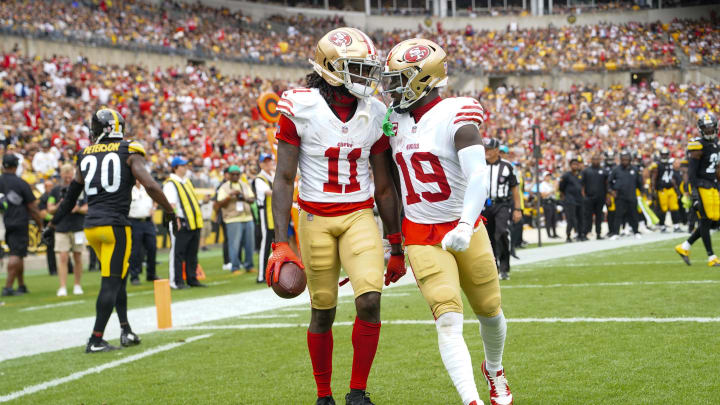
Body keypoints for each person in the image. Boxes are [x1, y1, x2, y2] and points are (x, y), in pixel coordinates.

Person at [267, 27, 405, 405]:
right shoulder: (300, 105)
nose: (366, 77)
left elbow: (384, 185)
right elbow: (282, 178)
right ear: (330, 69)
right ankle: (323, 394)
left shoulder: (377, 112)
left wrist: (396, 243)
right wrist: (280, 242)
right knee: (323, 310)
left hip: (359, 215)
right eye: (357, 69)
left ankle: (357, 392)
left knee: (370, 301)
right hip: (314, 219)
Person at [382, 38, 513, 405]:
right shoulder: (392, 120)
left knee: (489, 310)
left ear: (423, 78)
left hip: (464, 225)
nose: (392, 87)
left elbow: (478, 176)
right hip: (421, 233)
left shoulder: (458, 113)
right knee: (447, 318)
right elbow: (389, 179)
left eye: (400, 78)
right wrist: (389, 238)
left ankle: (495, 369)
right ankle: (471, 400)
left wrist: (464, 224)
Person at [46, 107, 179, 352]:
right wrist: (170, 211)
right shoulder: (129, 150)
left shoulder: (84, 154)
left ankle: (126, 329)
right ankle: (96, 338)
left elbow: (70, 197)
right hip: (115, 226)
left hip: (92, 228)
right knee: (111, 282)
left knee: (117, 279)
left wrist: (53, 224)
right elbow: (149, 184)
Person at [675, 113, 720, 267]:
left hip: (712, 185)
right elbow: (691, 173)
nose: (709, 132)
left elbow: (717, 169)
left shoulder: (715, 143)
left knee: (711, 220)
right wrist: (693, 194)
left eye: (710, 129)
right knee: (705, 220)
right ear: (701, 130)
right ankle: (711, 257)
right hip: (701, 186)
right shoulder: (697, 145)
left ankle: (685, 247)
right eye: (705, 130)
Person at [0, 154, 44, 296]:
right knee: (16, 254)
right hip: (19, 222)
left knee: (19, 253)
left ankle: (21, 285)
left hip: (6, 221)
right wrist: (41, 225)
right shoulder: (21, 183)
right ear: (15, 166)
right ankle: (8, 287)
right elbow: (32, 207)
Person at [163, 157, 207, 289]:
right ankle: (176, 281)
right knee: (178, 253)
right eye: (182, 165)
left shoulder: (186, 181)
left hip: (193, 222)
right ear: (175, 168)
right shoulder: (171, 183)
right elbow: (171, 204)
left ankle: (192, 278)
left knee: (192, 253)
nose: (185, 167)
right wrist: (175, 219)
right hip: (181, 222)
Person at [483, 138, 522, 280]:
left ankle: (504, 267)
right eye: (485, 148)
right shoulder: (479, 164)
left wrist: (518, 209)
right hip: (484, 205)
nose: (486, 151)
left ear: (496, 150)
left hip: (502, 204)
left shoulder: (507, 166)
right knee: (488, 238)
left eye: (488, 149)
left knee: (502, 233)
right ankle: (494, 268)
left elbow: (515, 189)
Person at [48, 164, 88, 296]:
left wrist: (78, 209)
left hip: (77, 226)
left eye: (69, 173)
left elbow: (89, 205)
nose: (67, 176)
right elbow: (50, 208)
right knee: (63, 257)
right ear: (61, 175)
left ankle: (77, 285)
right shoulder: (55, 190)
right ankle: (63, 286)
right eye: (65, 174)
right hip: (61, 227)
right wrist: (61, 205)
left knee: (77, 256)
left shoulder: (82, 189)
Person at [216, 165, 255, 275]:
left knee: (249, 244)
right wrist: (230, 196)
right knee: (234, 244)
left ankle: (249, 265)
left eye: (237, 174)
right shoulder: (224, 187)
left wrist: (244, 197)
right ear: (228, 175)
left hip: (247, 217)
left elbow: (252, 199)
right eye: (233, 174)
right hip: (232, 219)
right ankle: (235, 267)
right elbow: (220, 203)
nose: (235, 176)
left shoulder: (244, 185)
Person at [128, 180, 158, 285]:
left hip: (148, 221)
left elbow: (156, 197)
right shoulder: (129, 189)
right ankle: (134, 276)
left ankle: (151, 274)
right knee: (135, 250)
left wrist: (154, 208)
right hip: (134, 222)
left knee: (152, 248)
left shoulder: (147, 188)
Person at [608, 151, 642, 239]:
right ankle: (616, 233)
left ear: (630, 160)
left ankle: (636, 231)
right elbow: (609, 182)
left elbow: (639, 183)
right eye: (623, 159)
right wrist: (611, 191)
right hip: (620, 196)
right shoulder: (616, 170)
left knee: (634, 214)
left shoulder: (634, 169)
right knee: (618, 215)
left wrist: (642, 193)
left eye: (626, 159)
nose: (625, 161)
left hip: (631, 195)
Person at [649, 147, 681, 233]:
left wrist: (676, 188)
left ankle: (676, 226)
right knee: (663, 208)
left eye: (665, 155)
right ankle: (662, 226)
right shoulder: (657, 164)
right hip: (662, 190)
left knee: (674, 207)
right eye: (663, 155)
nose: (664, 156)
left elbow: (672, 177)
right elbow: (653, 178)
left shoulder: (670, 164)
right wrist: (653, 190)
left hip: (670, 189)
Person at [254, 153, 275, 284]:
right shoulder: (259, 179)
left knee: (277, 244)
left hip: (275, 213)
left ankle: (274, 271)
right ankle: (261, 275)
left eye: (269, 161)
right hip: (266, 214)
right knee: (265, 244)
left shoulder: (272, 175)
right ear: (261, 164)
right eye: (265, 162)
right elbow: (269, 192)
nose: (268, 164)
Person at [581, 154, 608, 240]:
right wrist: (584, 196)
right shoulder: (586, 171)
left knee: (599, 216)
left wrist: (607, 196)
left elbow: (606, 184)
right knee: (587, 216)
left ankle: (598, 233)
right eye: (594, 160)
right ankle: (586, 233)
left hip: (600, 197)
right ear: (591, 160)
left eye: (597, 159)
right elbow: (582, 185)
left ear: (600, 160)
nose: (596, 161)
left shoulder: (603, 171)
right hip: (589, 197)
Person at [560, 157, 585, 242]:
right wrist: (565, 196)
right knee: (571, 218)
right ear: (570, 166)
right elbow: (561, 187)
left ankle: (580, 234)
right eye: (573, 164)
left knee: (580, 217)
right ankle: (568, 236)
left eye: (577, 164)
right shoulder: (566, 175)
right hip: (570, 200)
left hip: (579, 199)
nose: (575, 166)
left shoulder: (580, 175)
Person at [38, 179, 58, 275]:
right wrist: (55, 218)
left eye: (51, 186)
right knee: (50, 248)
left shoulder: (56, 195)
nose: (50, 188)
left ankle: (69, 268)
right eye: (48, 186)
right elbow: (42, 214)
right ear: (45, 187)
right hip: (49, 227)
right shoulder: (43, 198)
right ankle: (52, 270)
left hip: (59, 225)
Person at [539, 172, 559, 238]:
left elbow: (555, 191)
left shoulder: (550, 184)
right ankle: (549, 234)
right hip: (547, 202)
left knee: (554, 218)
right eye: (547, 176)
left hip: (553, 202)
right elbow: (543, 195)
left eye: (549, 176)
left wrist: (555, 186)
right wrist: (551, 191)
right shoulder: (542, 184)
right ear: (544, 177)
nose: (548, 177)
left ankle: (554, 233)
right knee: (548, 219)